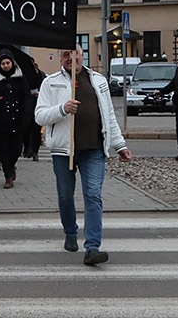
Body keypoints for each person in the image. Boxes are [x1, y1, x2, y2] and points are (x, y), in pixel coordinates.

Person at [35, 46, 132, 266]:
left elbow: (108, 115)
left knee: (93, 195)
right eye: (65, 56)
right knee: (65, 195)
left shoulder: (98, 80)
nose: (71, 59)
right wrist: (62, 108)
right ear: (61, 59)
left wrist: (119, 145)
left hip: (93, 149)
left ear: (81, 55)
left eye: (74, 54)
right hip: (63, 150)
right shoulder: (50, 83)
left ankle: (92, 247)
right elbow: (39, 116)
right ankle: (70, 231)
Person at [0, 50, 32, 189]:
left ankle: (11, 166)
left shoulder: (21, 78)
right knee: (3, 148)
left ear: (12, 63)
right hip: (1, 120)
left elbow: (27, 96)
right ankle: (8, 175)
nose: (5, 65)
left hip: (18, 119)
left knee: (16, 148)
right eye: (3, 63)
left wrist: (28, 113)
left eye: (7, 63)